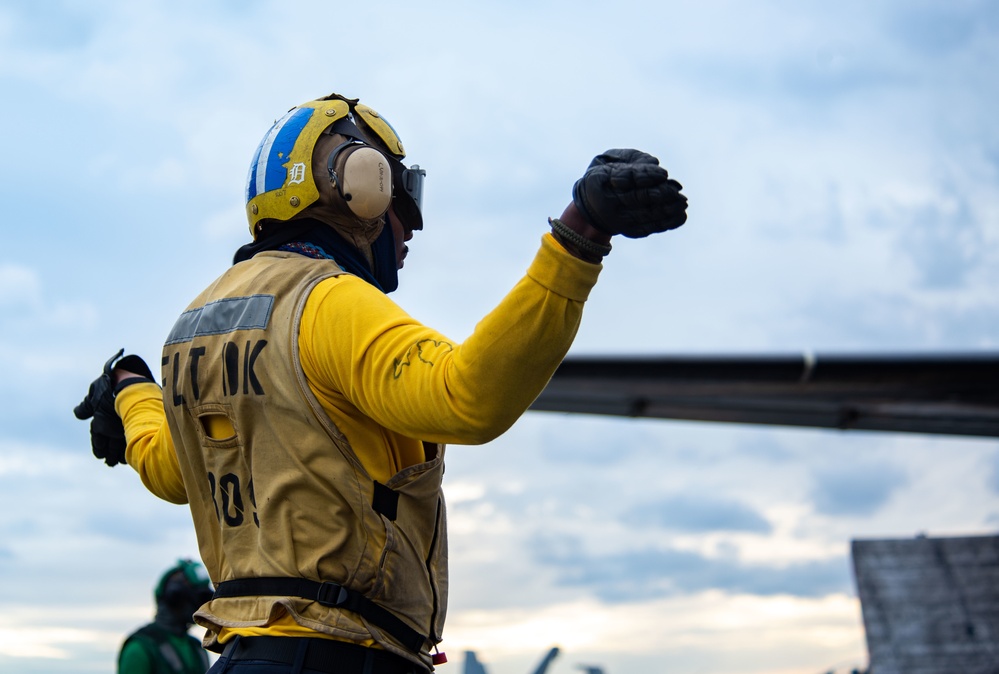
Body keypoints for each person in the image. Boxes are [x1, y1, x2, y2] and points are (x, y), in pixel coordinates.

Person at [74, 91, 688, 674]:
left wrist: (131, 390)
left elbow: (167, 468)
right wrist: (579, 236)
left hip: (241, 655)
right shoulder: (329, 304)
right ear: (358, 184)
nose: (411, 223)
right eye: (401, 191)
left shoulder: (190, 334)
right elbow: (469, 396)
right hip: (343, 653)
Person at [119, 559, 213, 674]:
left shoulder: (197, 648)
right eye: (197, 598)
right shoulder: (139, 648)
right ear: (174, 598)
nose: (202, 607)